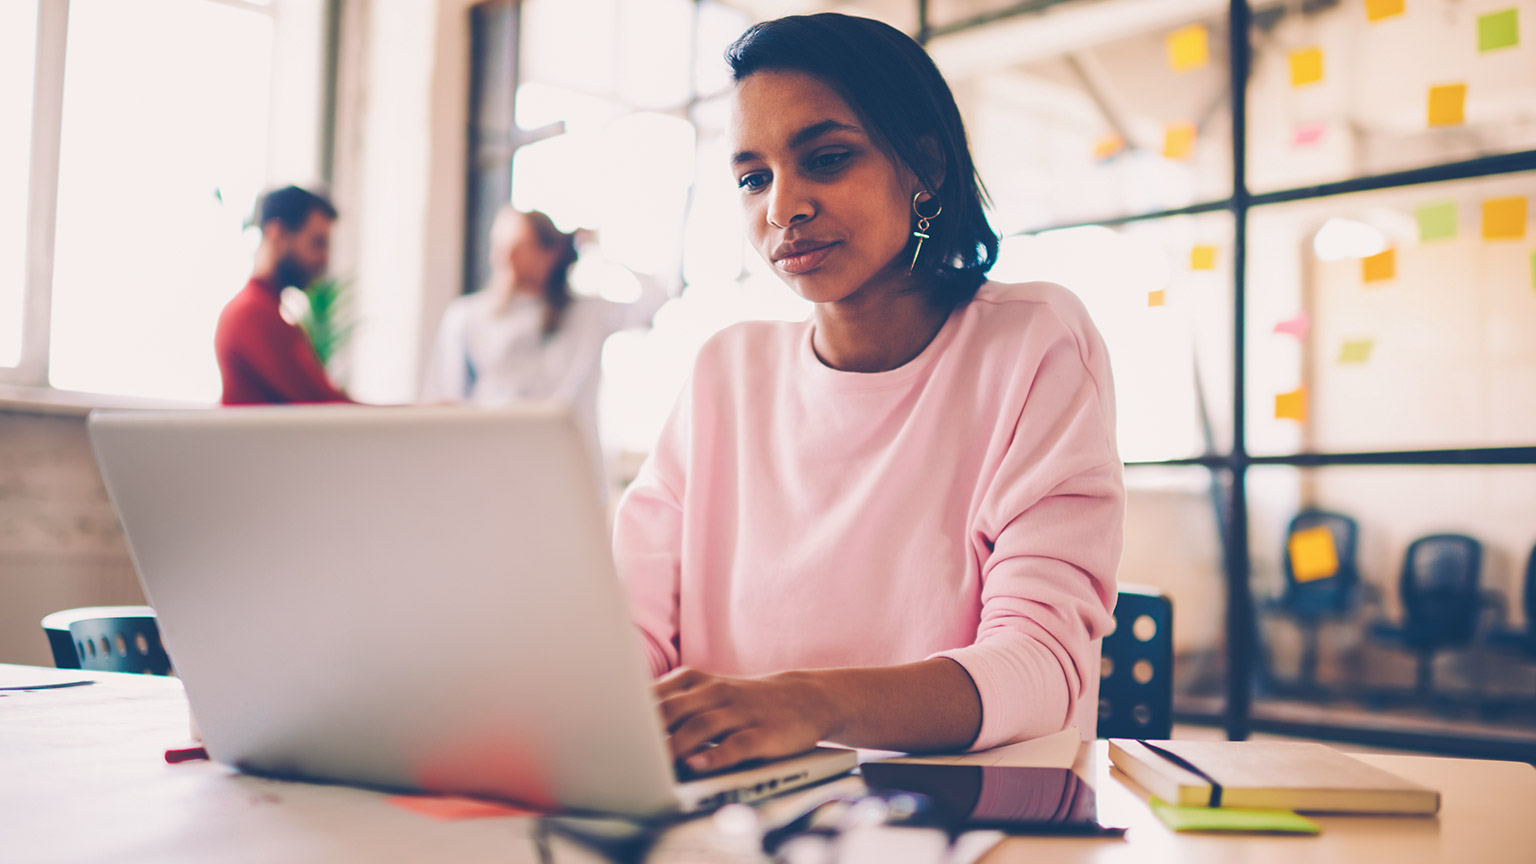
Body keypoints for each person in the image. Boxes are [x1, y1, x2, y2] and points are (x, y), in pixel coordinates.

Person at [613, 13, 1124, 776]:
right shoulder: (727, 371)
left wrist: (811, 704)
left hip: (958, 820)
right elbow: (628, 625)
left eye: (825, 159)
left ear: (925, 166)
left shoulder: (1031, 344)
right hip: (734, 818)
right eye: (753, 177)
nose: (781, 207)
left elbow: (1042, 666)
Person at [422, 206, 651, 467]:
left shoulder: (588, 315)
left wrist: (603, 249)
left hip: (568, 470)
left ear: (549, 254)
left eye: (519, 247)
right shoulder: (466, 316)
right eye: (498, 246)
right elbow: (444, 402)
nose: (504, 257)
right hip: (490, 465)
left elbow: (655, 299)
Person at [215, 185, 349, 405]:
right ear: (277, 234)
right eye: (317, 243)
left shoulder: (266, 310)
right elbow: (323, 405)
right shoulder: (252, 314)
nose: (324, 259)